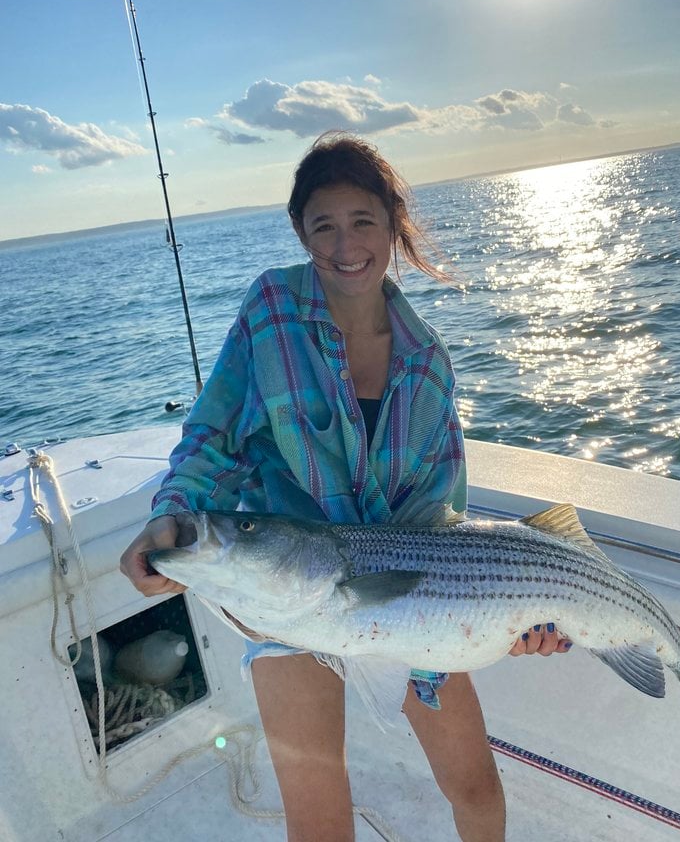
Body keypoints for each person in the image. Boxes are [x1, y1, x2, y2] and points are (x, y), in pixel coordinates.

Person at [120, 132, 570, 842]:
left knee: (476, 785)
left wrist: (507, 618)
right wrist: (173, 513)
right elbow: (214, 432)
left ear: (393, 224)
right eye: (322, 225)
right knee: (319, 813)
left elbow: (439, 511)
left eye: (363, 220)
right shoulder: (271, 307)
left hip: (404, 595)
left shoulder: (428, 362)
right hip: (287, 594)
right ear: (300, 232)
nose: (344, 244)